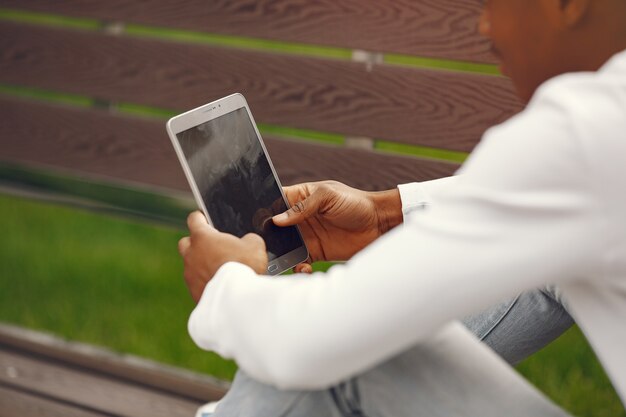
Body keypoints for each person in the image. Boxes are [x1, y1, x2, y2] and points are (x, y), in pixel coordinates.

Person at [177, 0, 626, 415]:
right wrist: (386, 214)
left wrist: (225, 285)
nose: (485, 25)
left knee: (347, 350)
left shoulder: (587, 130)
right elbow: (551, 204)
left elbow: (314, 342)